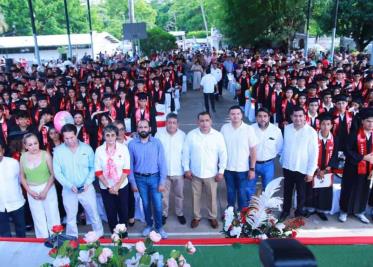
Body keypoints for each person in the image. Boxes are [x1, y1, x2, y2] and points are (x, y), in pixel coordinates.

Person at [53, 124, 103, 238]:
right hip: (69, 190)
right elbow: (57, 172)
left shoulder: (87, 148)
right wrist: (69, 185)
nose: (69, 141)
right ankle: (72, 240)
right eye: (66, 138)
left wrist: (87, 183)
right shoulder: (58, 151)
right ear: (62, 137)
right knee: (70, 217)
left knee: (94, 214)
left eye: (72, 137)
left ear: (76, 135)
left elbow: (92, 168)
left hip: (86, 188)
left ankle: (99, 236)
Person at [183, 112, 227, 229]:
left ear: (211, 121)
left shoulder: (218, 136)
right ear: (198, 122)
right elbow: (186, 154)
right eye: (201, 121)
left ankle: (212, 217)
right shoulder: (191, 135)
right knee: (195, 196)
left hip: (212, 174)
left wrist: (221, 171)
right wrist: (186, 169)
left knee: (212, 197)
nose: (204, 123)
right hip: (195, 174)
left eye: (207, 120)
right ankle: (196, 217)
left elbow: (223, 155)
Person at [128, 119, 168, 239]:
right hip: (139, 179)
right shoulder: (132, 144)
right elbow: (130, 165)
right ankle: (149, 225)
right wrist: (133, 182)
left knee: (158, 204)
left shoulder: (157, 143)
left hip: (155, 178)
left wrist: (162, 181)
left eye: (145, 127)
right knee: (145, 204)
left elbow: (162, 163)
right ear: (137, 129)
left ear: (149, 129)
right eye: (140, 127)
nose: (143, 129)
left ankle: (159, 227)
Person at [279, 106, 318, 221]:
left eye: (300, 116)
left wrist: (311, 172)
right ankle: (285, 211)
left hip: (302, 168)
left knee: (301, 193)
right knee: (287, 191)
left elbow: (314, 153)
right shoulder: (287, 128)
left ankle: (298, 213)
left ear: (304, 117)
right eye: (295, 116)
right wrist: (282, 160)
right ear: (291, 117)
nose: (298, 118)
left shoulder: (311, 132)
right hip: (288, 166)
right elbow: (283, 146)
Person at [20, 133, 60, 238]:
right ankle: (42, 242)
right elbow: (22, 177)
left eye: (35, 143)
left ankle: (57, 242)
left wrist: (45, 191)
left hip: (48, 188)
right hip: (32, 191)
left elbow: (53, 174)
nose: (34, 146)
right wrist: (29, 191)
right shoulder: (23, 157)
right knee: (38, 218)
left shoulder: (45, 155)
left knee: (53, 215)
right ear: (25, 146)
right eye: (30, 144)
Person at [95, 124, 131, 233]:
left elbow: (126, 169)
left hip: (122, 186)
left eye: (113, 135)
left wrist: (117, 187)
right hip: (106, 188)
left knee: (123, 213)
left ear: (116, 136)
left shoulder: (123, 148)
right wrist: (109, 187)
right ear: (104, 136)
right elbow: (98, 171)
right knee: (111, 213)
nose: (110, 138)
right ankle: (114, 236)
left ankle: (123, 236)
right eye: (107, 135)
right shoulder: (99, 150)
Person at [339, 108, 373, 223]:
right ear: (362, 121)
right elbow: (347, 151)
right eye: (368, 121)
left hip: (368, 169)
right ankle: (344, 211)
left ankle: (360, 211)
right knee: (349, 189)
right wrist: (363, 157)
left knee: (363, 189)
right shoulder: (354, 134)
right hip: (353, 168)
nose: (371, 124)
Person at [221, 106, 258, 210]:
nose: (235, 116)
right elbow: (221, 148)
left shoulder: (248, 129)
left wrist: (252, 169)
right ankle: (230, 212)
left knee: (242, 193)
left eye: (238, 113)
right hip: (228, 168)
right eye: (232, 114)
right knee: (230, 192)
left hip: (243, 169)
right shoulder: (224, 128)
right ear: (229, 115)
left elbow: (253, 151)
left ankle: (243, 213)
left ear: (241, 115)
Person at [305, 113, 338, 221]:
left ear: (331, 126)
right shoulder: (313, 137)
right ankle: (310, 209)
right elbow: (308, 153)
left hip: (327, 170)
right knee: (311, 188)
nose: (325, 126)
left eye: (328, 124)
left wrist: (327, 168)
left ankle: (321, 210)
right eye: (323, 124)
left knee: (324, 189)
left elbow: (335, 155)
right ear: (319, 125)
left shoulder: (334, 139)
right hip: (313, 168)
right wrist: (317, 169)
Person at [155, 113, 186, 225]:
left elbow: (186, 154)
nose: (171, 125)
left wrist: (186, 169)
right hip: (164, 172)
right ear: (166, 123)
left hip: (179, 171)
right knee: (164, 195)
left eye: (174, 123)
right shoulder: (159, 134)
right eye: (169, 122)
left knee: (179, 194)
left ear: (178, 124)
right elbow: (156, 153)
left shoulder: (183, 135)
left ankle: (180, 213)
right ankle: (164, 214)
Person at [252, 107, 283, 197]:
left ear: (269, 117)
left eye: (265, 116)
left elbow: (279, 147)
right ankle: (249, 208)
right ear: (256, 118)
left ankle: (265, 208)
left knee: (268, 188)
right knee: (250, 187)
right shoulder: (250, 129)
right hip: (252, 164)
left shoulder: (276, 130)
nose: (262, 119)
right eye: (260, 116)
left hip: (268, 164)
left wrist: (270, 154)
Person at [0, 141, 26, 237]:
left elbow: (21, 180)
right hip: (0, 206)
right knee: (4, 233)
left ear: (3, 150)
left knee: (21, 230)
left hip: (16, 202)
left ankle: (23, 250)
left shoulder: (13, 163)